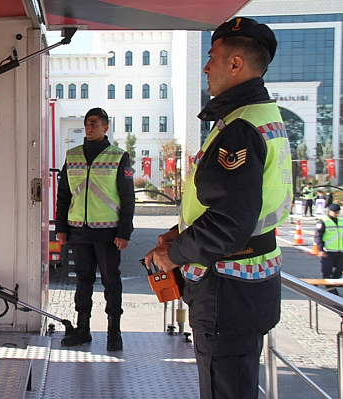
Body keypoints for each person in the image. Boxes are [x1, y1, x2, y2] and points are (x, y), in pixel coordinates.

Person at [144, 17, 292, 399]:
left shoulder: (241, 128)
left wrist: (172, 253)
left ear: (236, 64)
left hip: (228, 288)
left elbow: (229, 222)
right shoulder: (259, 117)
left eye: (212, 58)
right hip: (247, 285)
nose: (206, 67)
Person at [55, 107, 135, 351]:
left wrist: (124, 232)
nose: (89, 128)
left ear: (105, 127)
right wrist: (61, 227)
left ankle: (114, 332)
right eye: (87, 124)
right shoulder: (73, 155)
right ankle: (82, 329)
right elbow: (64, 194)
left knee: (111, 282)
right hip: (78, 230)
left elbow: (127, 196)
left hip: (108, 232)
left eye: (94, 123)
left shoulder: (118, 157)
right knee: (83, 281)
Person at [314, 204, 343, 295]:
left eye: (338, 212)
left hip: (340, 251)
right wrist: (320, 250)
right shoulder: (323, 221)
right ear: (330, 211)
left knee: (339, 269)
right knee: (327, 271)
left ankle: (332, 285)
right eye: (335, 212)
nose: (336, 214)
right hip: (328, 251)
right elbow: (318, 236)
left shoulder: (341, 221)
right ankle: (330, 289)